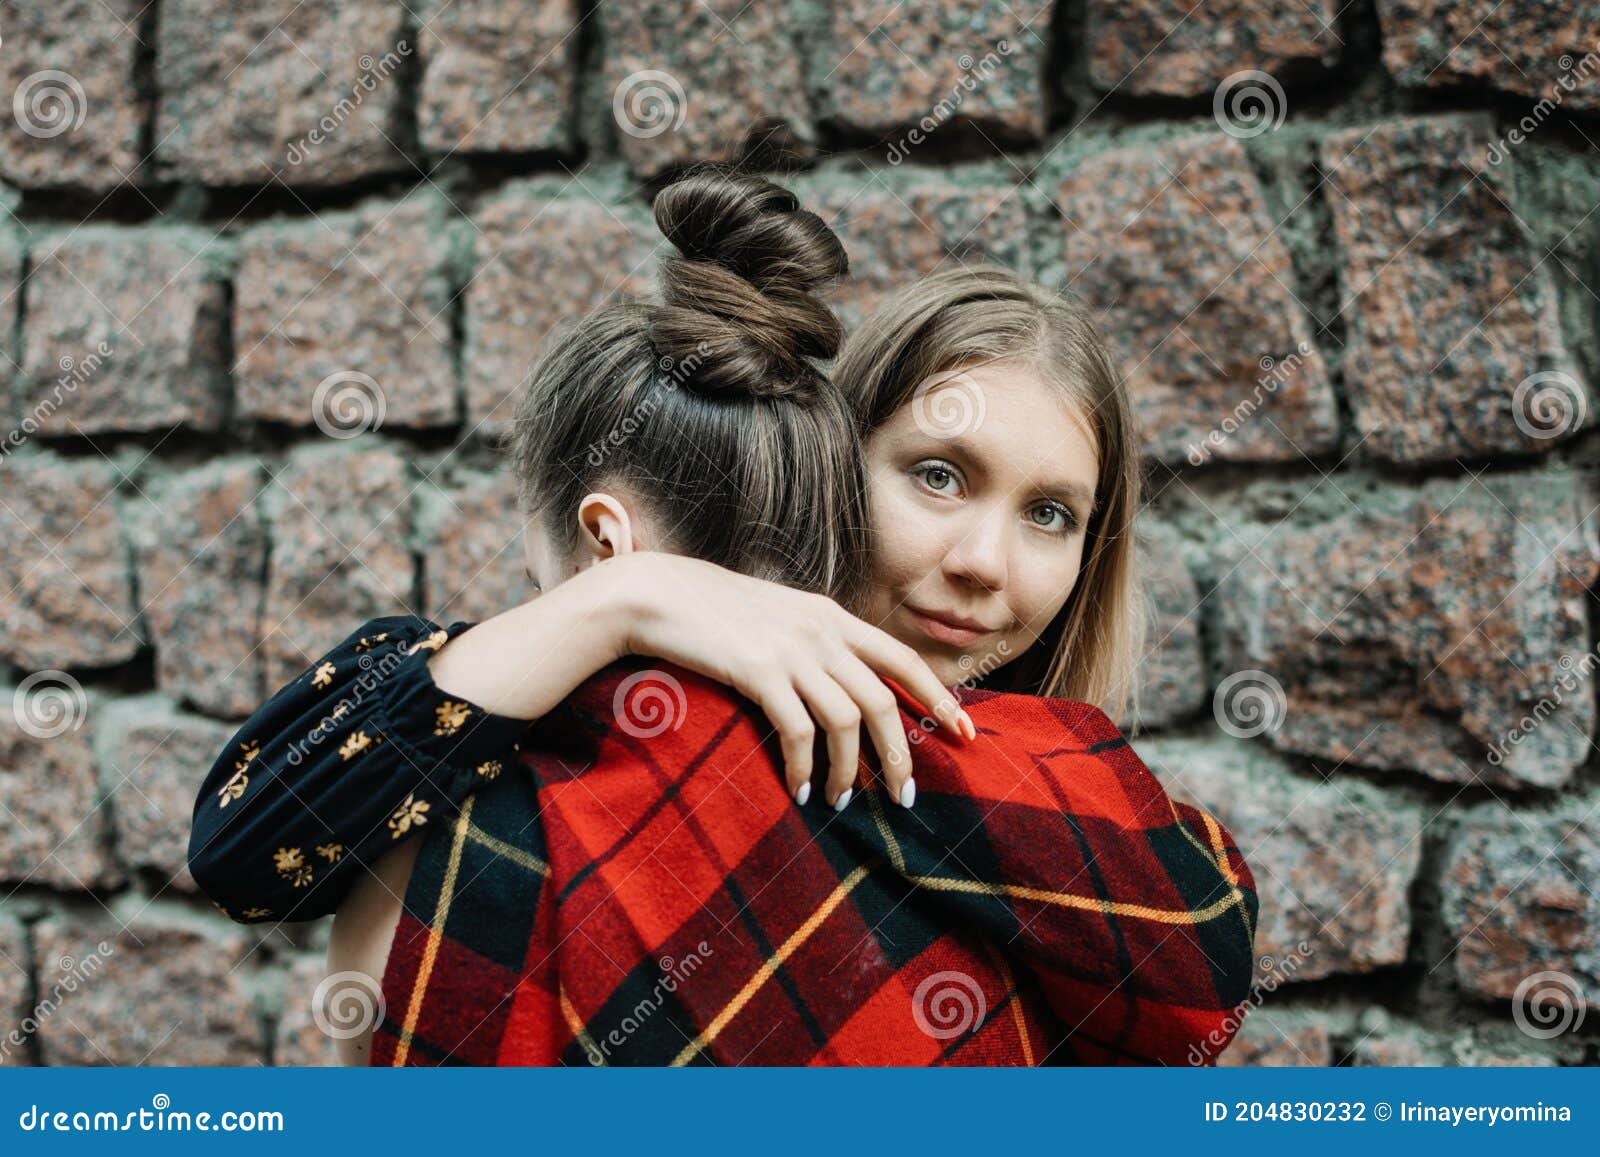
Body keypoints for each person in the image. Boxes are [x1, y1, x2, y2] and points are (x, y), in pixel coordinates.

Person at [188, 198, 1256, 1063]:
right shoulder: (553, 769)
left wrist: (619, 601)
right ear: (832, 464)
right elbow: (257, 849)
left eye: (1050, 513)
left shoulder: (1085, 830)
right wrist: (627, 602)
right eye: (937, 475)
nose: (985, 560)